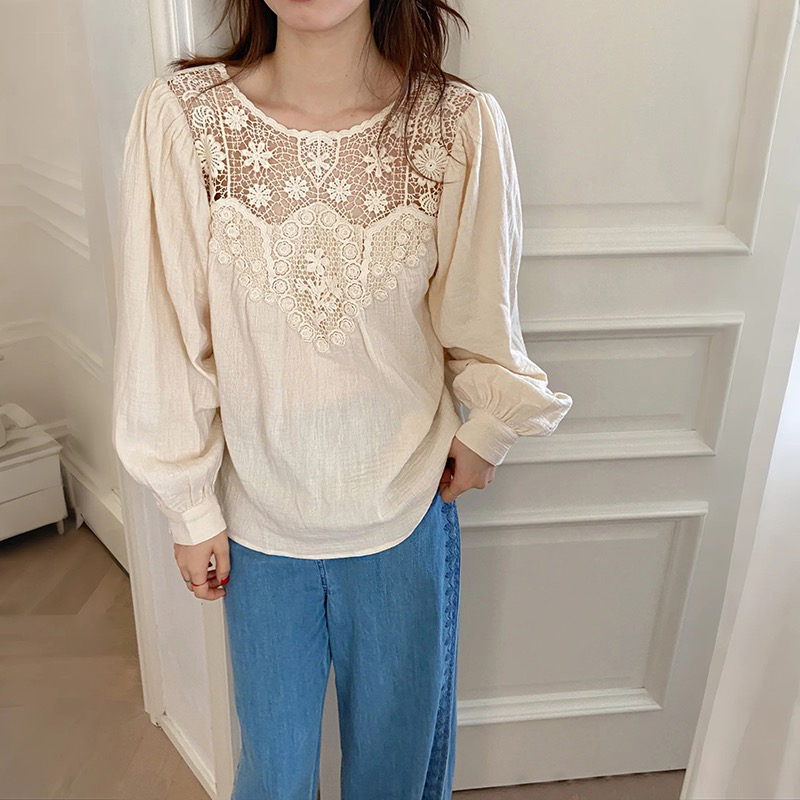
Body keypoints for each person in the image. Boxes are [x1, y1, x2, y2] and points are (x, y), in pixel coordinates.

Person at [111, 0, 573, 797]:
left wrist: (490, 429)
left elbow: (479, 312)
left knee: (398, 775)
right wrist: (188, 504)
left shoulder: (452, 127)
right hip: (257, 526)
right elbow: (165, 332)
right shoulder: (187, 122)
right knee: (273, 775)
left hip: (406, 514)